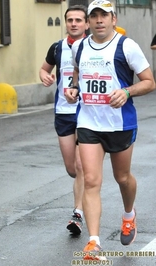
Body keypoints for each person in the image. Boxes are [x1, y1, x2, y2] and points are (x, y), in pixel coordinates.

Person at [65, 0, 155, 260]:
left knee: (122, 178)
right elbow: (77, 74)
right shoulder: (80, 46)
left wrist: (127, 91)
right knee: (91, 181)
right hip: (89, 122)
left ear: (113, 19)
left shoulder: (126, 46)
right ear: (89, 21)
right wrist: (73, 89)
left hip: (120, 123)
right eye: (94, 16)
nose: (99, 20)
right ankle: (94, 242)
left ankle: (129, 214)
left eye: (104, 15)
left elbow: (149, 82)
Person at [39, 5, 88, 235]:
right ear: (66, 22)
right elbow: (43, 69)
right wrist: (45, 77)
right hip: (63, 112)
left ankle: (77, 213)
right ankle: (86, 185)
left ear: (86, 23)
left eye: (79, 20)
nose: (74, 23)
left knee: (81, 166)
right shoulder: (57, 47)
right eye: (70, 20)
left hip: (87, 111)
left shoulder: (92, 47)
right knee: (72, 168)